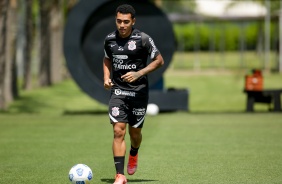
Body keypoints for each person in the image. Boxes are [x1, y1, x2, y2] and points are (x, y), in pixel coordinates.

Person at [103, 4, 164, 184]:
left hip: (138, 93)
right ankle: (119, 175)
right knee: (118, 130)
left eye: (126, 22)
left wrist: (139, 73)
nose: (122, 25)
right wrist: (106, 77)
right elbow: (107, 58)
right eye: (119, 21)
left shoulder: (143, 39)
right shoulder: (109, 39)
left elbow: (159, 60)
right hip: (118, 92)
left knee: (135, 134)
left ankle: (134, 153)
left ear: (133, 21)